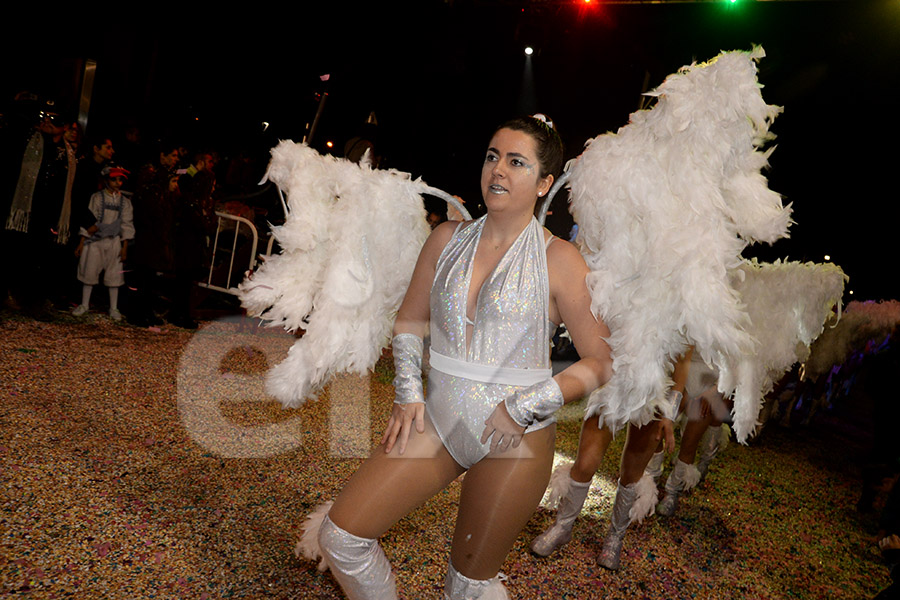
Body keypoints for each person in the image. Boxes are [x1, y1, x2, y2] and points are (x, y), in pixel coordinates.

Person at [305, 116, 613, 599]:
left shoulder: (561, 260)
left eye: (517, 162)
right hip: (437, 422)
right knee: (341, 537)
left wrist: (523, 407)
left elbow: (600, 361)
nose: (498, 171)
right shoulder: (446, 238)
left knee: (468, 585)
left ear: (544, 182)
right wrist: (407, 393)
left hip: (516, 438)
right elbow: (409, 320)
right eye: (492, 156)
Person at [530, 350, 691, 569]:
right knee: (585, 463)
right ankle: (562, 527)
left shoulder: (686, 314)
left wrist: (669, 414)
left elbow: (683, 362)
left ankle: (615, 537)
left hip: (656, 394)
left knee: (632, 474)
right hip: (613, 384)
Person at [72, 164, 134, 321]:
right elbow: (88, 222)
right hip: (95, 241)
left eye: (120, 180)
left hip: (113, 242)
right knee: (89, 271)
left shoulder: (125, 202)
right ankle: (84, 304)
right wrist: (81, 242)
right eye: (114, 180)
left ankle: (114, 307)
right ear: (107, 180)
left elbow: (127, 225)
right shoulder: (97, 198)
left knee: (114, 275)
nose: (117, 183)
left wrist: (124, 246)